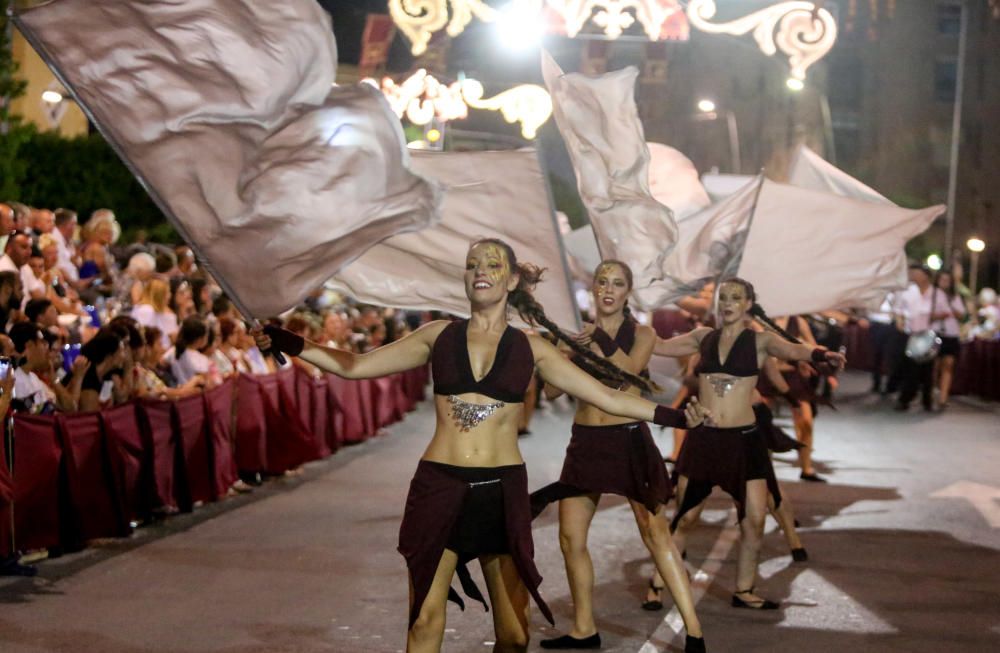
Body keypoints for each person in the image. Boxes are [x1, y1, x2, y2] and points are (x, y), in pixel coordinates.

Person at [254, 238, 710, 653]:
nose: (479, 270)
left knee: (513, 636)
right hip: (439, 486)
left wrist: (675, 416)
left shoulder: (532, 348)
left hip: (501, 492)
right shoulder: (437, 335)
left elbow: (610, 396)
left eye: (491, 264)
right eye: (472, 264)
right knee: (425, 621)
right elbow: (355, 366)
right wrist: (291, 341)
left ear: (511, 280)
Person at [529, 260, 705, 652]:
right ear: (593, 289)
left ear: (628, 292)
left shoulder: (642, 333)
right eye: (602, 282)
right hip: (585, 442)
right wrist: (561, 351)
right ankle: (583, 629)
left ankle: (694, 631)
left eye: (618, 283)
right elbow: (553, 394)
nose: (608, 289)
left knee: (655, 535)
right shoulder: (576, 338)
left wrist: (583, 345)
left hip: (628, 441)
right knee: (570, 537)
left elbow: (626, 373)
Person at [651, 278, 844, 609]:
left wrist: (821, 354)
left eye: (735, 298)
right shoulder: (702, 338)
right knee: (685, 517)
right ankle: (657, 584)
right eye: (723, 297)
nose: (727, 303)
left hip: (744, 442)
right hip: (705, 441)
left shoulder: (761, 341)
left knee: (754, 519)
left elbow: (794, 349)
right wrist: (621, 327)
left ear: (748, 304)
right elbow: (659, 346)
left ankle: (744, 590)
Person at [896, 265, 951, 412]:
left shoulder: (937, 294)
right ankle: (905, 398)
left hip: (929, 335)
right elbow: (899, 310)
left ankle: (927, 400)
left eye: (917, 273)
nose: (913, 275)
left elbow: (947, 312)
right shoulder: (909, 291)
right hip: (913, 335)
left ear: (926, 276)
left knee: (928, 370)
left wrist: (934, 316)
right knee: (910, 369)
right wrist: (900, 322)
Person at [932, 269, 967, 410]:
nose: (945, 283)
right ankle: (932, 391)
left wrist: (951, 306)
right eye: (942, 280)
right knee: (934, 366)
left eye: (948, 280)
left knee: (948, 364)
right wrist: (939, 315)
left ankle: (943, 397)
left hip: (951, 334)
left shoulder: (955, 297)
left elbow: (962, 316)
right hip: (935, 333)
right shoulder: (932, 295)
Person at [131, 278, 179, 348]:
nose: (169, 296)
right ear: (159, 295)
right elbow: (147, 339)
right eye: (167, 292)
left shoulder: (155, 311)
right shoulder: (146, 310)